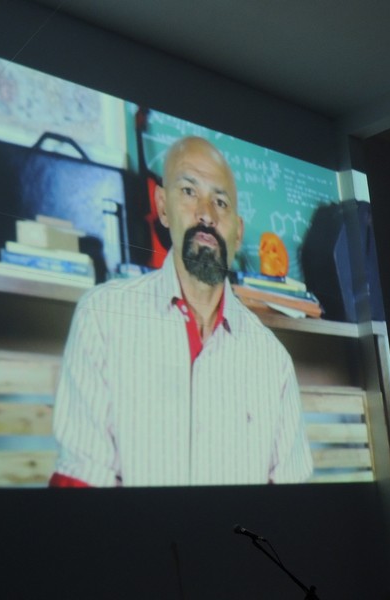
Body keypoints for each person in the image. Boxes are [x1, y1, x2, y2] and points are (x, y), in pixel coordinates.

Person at [49, 136, 312, 487]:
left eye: (221, 202)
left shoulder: (273, 362)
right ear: (162, 206)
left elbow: (292, 504)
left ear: (237, 234)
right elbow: (80, 483)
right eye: (189, 191)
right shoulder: (101, 318)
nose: (206, 214)